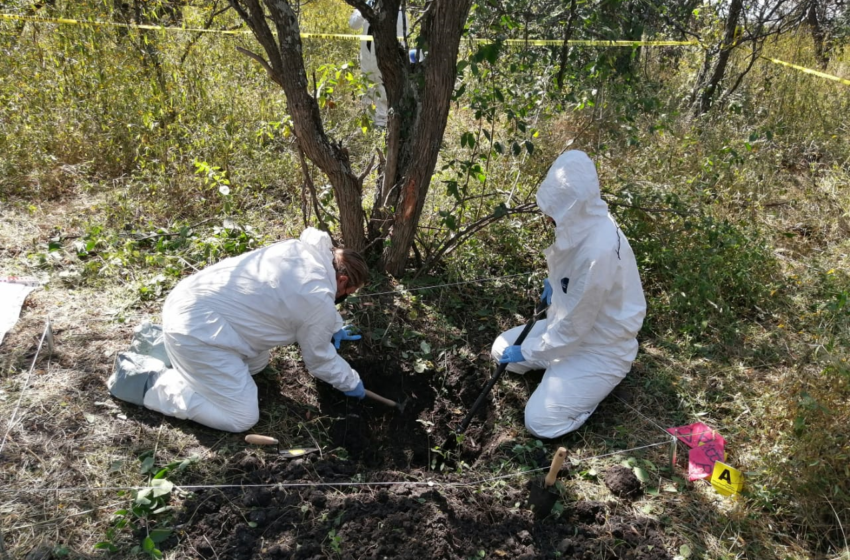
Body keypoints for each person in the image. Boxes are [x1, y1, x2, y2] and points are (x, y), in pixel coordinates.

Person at [108, 228, 368, 432]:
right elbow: (319, 360)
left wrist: (333, 326)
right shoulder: (316, 299)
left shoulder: (301, 252)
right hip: (197, 331)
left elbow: (305, 301)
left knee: (256, 365)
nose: (342, 299)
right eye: (347, 293)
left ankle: (162, 346)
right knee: (241, 417)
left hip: (192, 304)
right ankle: (148, 382)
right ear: (342, 279)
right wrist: (351, 382)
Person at [491, 150, 647, 439]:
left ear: (572, 206)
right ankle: (555, 365)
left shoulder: (597, 253)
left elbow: (574, 328)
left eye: (554, 211)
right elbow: (569, 271)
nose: (549, 218)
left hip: (599, 347)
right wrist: (555, 283)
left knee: (540, 423)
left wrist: (528, 350)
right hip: (566, 326)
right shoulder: (583, 222)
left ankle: (589, 391)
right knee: (501, 352)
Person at [348, 5, 407, 128]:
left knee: (384, 90)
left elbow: (402, 37)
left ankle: (382, 126)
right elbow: (353, 24)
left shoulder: (397, 11)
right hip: (367, 57)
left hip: (387, 59)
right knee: (367, 90)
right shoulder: (366, 6)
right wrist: (363, 8)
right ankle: (368, 125)